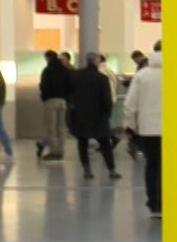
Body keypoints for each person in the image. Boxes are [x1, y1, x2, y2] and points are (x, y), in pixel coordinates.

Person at [122, 45, 163, 218]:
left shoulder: (142, 75)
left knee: (152, 166)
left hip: (148, 130)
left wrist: (130, 126)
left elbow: (130, 105)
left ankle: (155, 204)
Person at [68, 53, 121, 182]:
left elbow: (69, 94)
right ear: (96, 61)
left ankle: (87, 170)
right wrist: (107, 114)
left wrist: (72, 110)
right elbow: (106, 99)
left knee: (82, 142)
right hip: (99, 115)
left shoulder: (75, 76)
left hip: (80, 114)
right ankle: (112, 170)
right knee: (105, 143)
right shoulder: (102, 78)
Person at [36, 50, 71, 161]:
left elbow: (43, 85)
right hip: (63, 101)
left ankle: (54, 152)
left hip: (50, 101)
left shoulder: (47, 70)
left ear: (47, 58)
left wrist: (44, 96)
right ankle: (60, 151)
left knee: (50, 128)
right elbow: (69, 85)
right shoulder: (65, 70)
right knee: (61, 128)